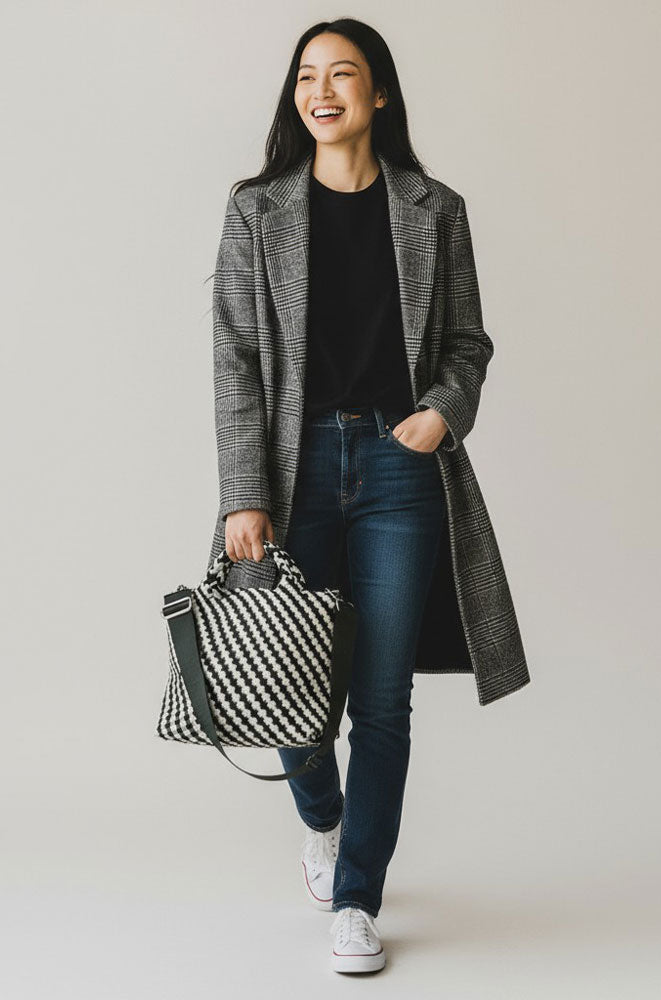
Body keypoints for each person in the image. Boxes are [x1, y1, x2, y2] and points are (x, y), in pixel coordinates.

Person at [209, 17, 530, 975]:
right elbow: (236, 360)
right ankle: (324, 820)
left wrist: (440, 411)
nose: (323, 90)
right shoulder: (256, 209)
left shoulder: (435, 209)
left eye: (343, 74)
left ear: (378, 94)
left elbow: (468, 342)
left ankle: (357, 897)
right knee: (291, 682)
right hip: (294, 467)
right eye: (307, 75)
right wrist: (242, 492)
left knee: (381, 701)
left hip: (400, 471)